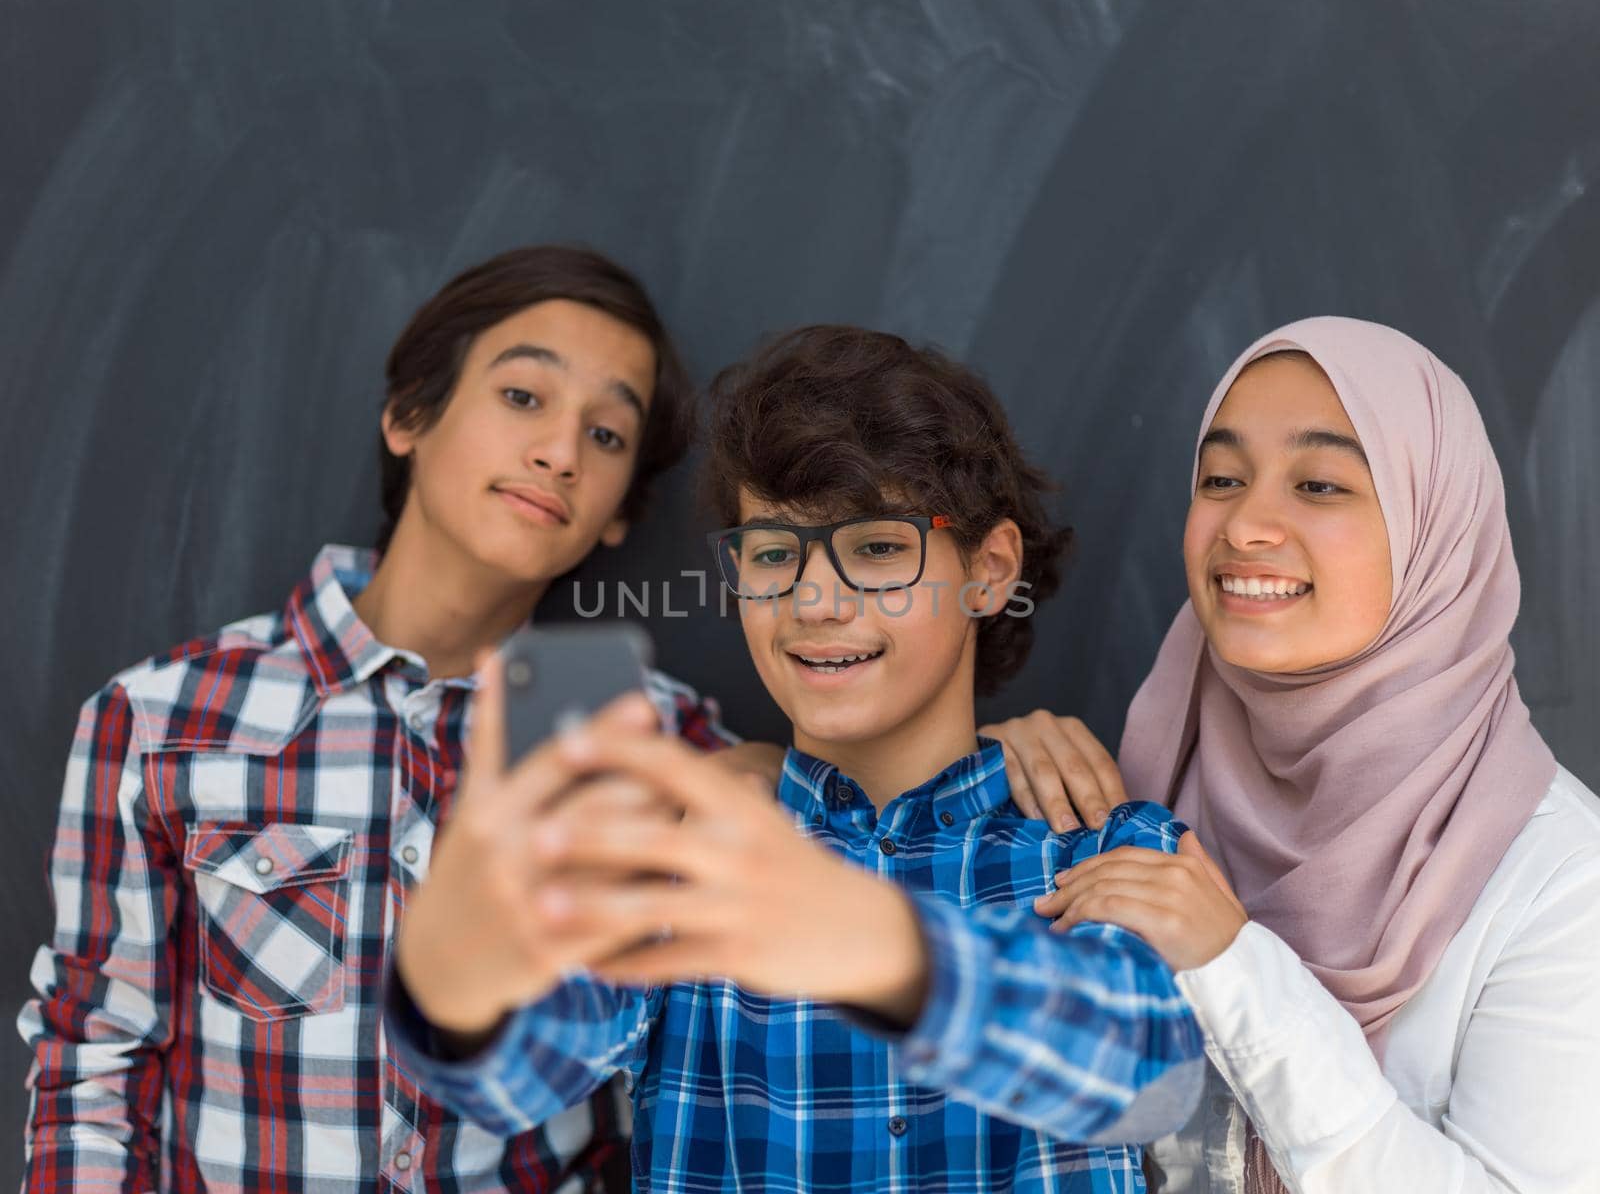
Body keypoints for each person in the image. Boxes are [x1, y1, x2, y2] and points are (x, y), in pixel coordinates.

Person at [388, 323, 1208, 1192]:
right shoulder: (682, 855)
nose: (814, 601)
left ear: (990, 568)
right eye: (775, 554)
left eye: (878, 548)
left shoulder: (1103, 846)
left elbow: (1154, 1074)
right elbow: (515, 1077)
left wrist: (887, 948)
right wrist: (458, 984)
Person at [17, 245, 751, 1192]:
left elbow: (860, 826)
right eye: (524, 397)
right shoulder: (161, 722)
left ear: (617, 514)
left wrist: (777, 769)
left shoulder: (647, 736)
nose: (560, 452)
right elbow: (94, 1058)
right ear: (410, 416)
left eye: (607, 435)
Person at [1003, 317, 1600, 1191]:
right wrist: (965, 770)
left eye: (1319, 484)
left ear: (1436, 531)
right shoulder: (1131, 792)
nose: (1245, 525)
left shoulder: (1558, 882)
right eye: (1221, 478)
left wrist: (1233, 965)